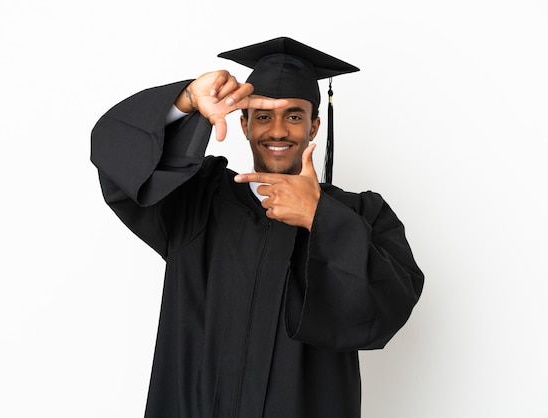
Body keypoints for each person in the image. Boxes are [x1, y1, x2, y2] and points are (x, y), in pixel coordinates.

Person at [91, 36, 424, 418]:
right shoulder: (195, 198)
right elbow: (118, 164)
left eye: (294, 116)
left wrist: (322, 217)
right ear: (244, 125)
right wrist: (185, 100)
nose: (278, 130)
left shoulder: (362, 213)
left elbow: (386, 311)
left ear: (314, 127)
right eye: (263, 115)